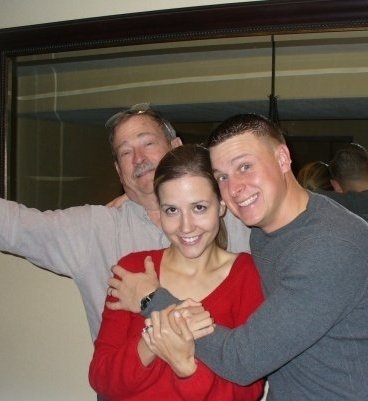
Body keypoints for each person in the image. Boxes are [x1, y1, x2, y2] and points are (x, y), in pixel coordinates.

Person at [111, 114, 368, 401]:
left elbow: (242, 361)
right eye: (222, 176)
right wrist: (136, 199)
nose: (235, 188)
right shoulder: (263, 228)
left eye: (245, 166)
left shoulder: (330, 247)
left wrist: (152, 300)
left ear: (283, 158)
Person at [0, 104, 251, 355]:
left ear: (176, 148)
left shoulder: (234, 216)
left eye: (148, 143)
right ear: (120, 172)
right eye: (125, 152)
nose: (139, 158)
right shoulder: (95, 229)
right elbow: (15, 226)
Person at [89, 144, 265, 401]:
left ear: (222, 205)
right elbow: (101, 378)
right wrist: (153, 341)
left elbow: (247, 391)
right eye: (172, 210)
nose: (186, 226)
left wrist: (186, 366)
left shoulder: (247, 275)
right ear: (159, 212)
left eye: (199, 208)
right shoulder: (132, 270)